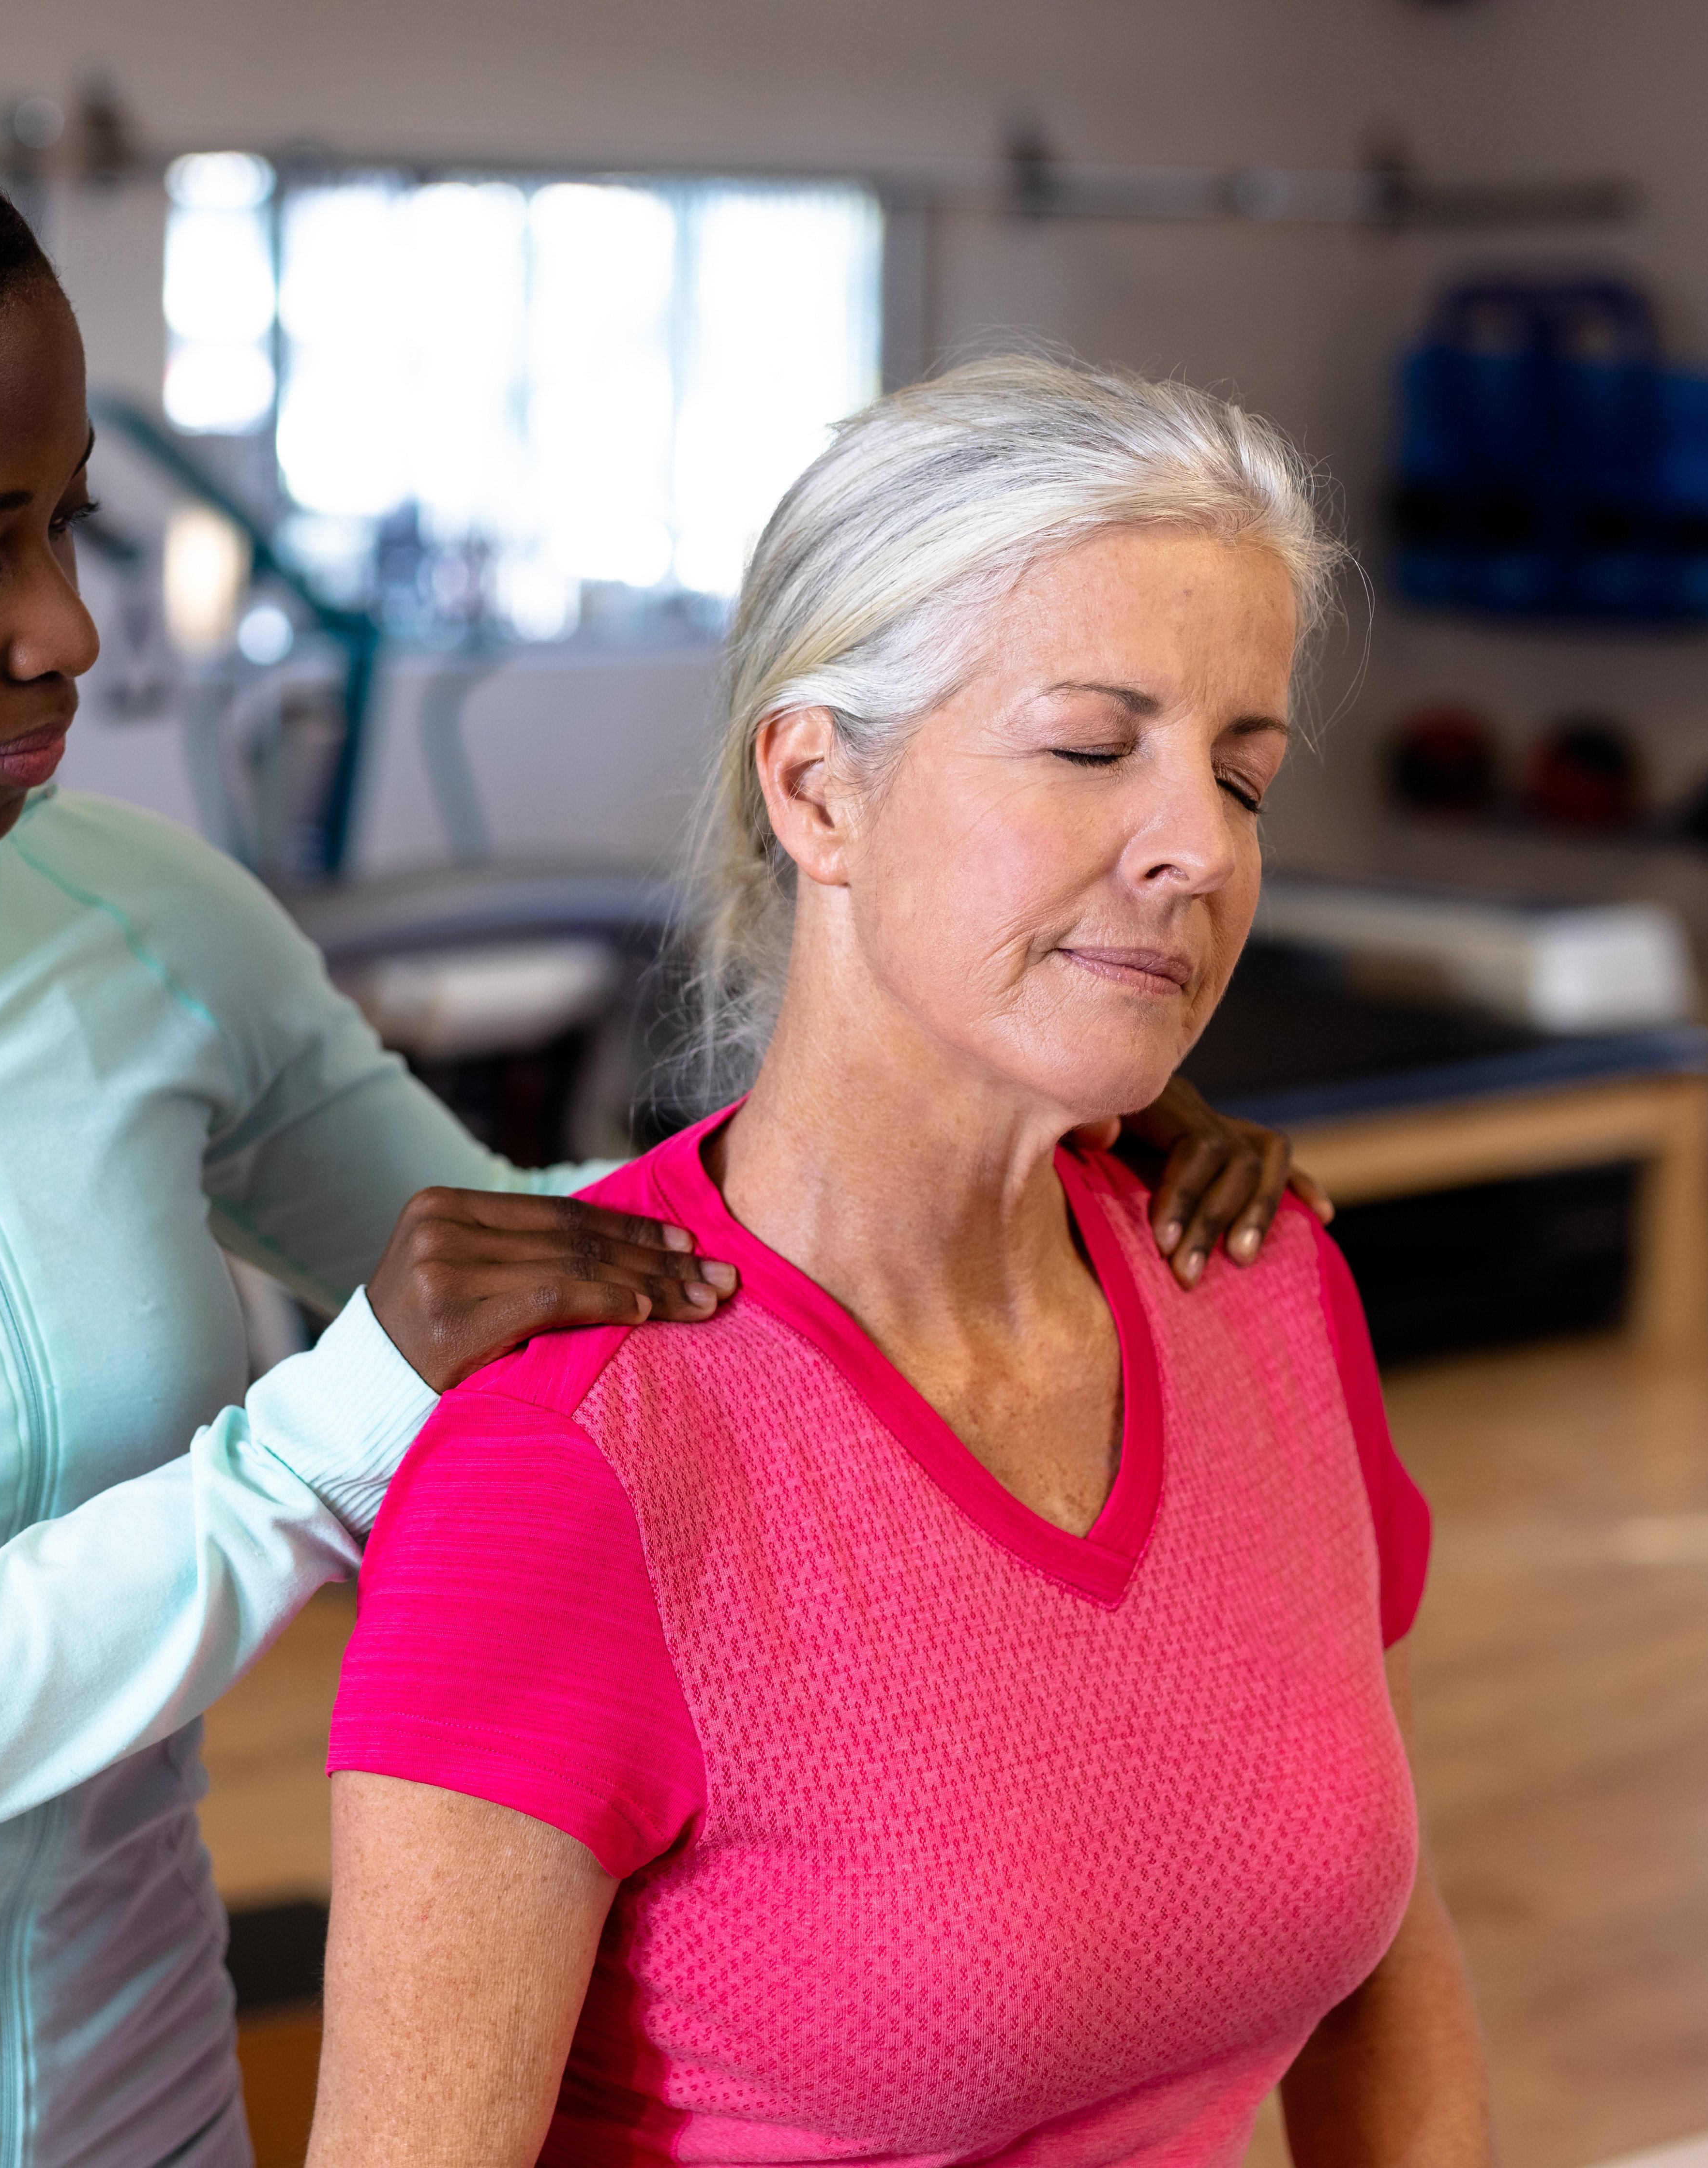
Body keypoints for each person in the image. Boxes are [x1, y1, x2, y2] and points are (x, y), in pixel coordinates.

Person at [0, 77, 1320, 2168]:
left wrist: (1027, 1112)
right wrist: (307, 1452)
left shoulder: (144, 921)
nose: (67, 628)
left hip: (150, 2112)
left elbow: (585, 1259)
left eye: (66, 524)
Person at [314, 358, 1495, 2168]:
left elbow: (1380, 1947)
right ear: (818, 789)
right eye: (1093, 747)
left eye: (1242, 776)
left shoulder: (1259, 1279)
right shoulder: (573, 1461)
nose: (1199, 847)